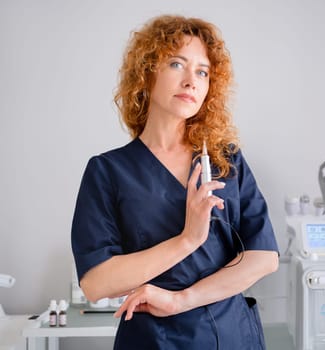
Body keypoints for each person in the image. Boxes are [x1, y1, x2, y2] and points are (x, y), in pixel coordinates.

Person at [71, 14, 279, 349]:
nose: (191, 81)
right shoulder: (108, 171)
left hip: (230, 335)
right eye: (176, 65)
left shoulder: (226, 161)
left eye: (202, 72)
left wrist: (183, 300)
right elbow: (96, 283)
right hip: (154, 340)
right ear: (147, 71)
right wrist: (187, 240)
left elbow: (264, 256)